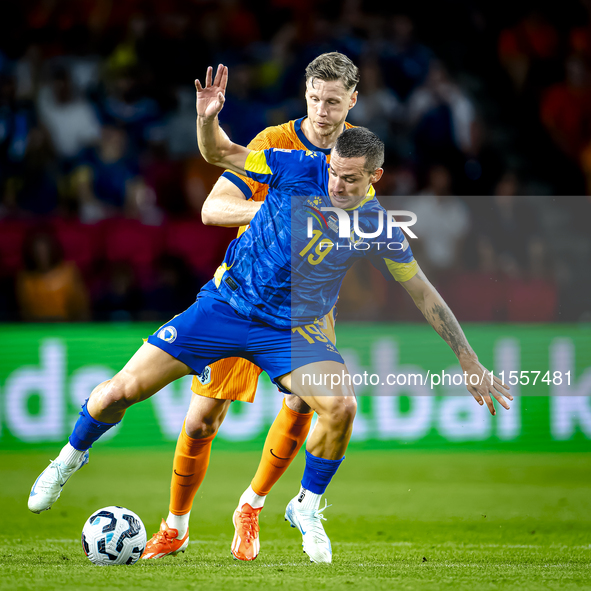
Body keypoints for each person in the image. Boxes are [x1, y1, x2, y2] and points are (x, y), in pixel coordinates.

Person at [28, 64, 512, 565]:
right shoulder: (293, 161)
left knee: (339, 405)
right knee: (124, 394)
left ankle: (303, 505)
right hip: (228, 304)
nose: (336, 183)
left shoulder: (376, 221)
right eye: (333, 173)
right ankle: (69, 459)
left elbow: (422, 292)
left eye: (349, 179)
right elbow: (219, 156)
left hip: (292, 326)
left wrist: (468, 357)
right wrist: (207, 119)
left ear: (373, 178)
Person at [143, 52, 362, 562]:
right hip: (244, 296)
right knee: (202, 419)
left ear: (352, 100)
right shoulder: (273, 143)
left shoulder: (356, 152)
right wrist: (280, 212)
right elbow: (212, 208)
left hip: (307, 305)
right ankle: (175, 526)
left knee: (306, 402)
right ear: (305, 95)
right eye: (314, 99)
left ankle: (253, 504)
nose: (323, 110)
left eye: (334, 101)